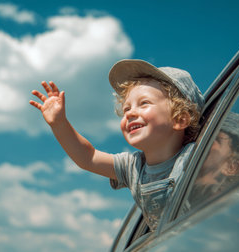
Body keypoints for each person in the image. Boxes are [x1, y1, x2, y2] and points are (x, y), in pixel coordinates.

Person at [29, 59, 204, 231]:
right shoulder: (133, 166)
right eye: (126, 109)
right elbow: (88, 158)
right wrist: (59, 123)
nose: (130, 113)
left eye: (144, 103)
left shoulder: (197, 157)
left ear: (180, 119)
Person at [187, 112, 239, 208]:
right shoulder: (183, 189)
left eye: (215, 139)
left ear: (231, 167)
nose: (199, 139)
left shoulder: (227, 208)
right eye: (202, 133)